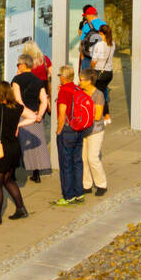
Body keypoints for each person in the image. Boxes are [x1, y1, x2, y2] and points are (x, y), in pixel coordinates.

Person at [0, 82, 28, 223]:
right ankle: (21, 208)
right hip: (14, 148)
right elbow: (34, 117)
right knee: (8, 180)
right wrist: (19, 125)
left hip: (0, 150)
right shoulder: (18, 107)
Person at [12, 54, 50, 185]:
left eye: (18, 64)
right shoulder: (38, 80)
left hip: (23, 115)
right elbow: (44, 100)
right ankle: (36, 174)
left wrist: (26, 113)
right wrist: (38, 115)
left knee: (19, 144)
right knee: (36, 145)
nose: (17, 66)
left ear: (23, 65)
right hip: (35, 115)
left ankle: (13, 174)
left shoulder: (17, 80)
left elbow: (18, 100)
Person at [52, 65, 87, 207]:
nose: (58, 77)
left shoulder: (64, 91)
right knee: (77, 162)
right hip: (79, 129)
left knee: (65, 163)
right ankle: (79, 193)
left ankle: (68, 196)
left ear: (63, 77)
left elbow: (62, 113)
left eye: (59, 74)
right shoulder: (78, 89)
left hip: (67, 130)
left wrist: (59, 130)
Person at [77, 68, 109, 196]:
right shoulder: (81, 92)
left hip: (95, 130)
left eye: (82, 80)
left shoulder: (98, 95)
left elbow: (98, 115)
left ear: (90, 81)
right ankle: (86, 184)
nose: (79, 82)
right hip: (83, 129)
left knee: (92, 158)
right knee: (83, 158)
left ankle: (102, 184)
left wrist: (82, 113)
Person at [90, 24, 116, 125]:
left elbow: (94, 61)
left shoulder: (99, 45)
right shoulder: (112, 43)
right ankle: (102, 114)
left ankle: (106, 115)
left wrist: (90, 68)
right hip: (109, 72)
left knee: (98, 95)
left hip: (99, 72)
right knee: (101, 93)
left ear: (101, 33)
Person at [77, 5, 107, 73]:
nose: (86, 17)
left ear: (90, 15)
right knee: (98, 79)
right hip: (100, 57)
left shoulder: (86, 25)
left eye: (86, 15)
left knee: (87, 78)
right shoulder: (104, 24)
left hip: (87, 57)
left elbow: (82, 41)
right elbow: (107, 41)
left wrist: (82, 56)